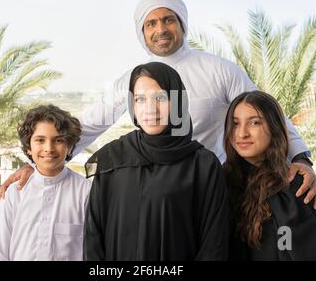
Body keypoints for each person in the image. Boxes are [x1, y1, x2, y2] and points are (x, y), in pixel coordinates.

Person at [0, 0, 316, 210]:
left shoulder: (219, 69)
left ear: (182, 24)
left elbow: (268, 115)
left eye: (168, 19)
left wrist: (301, 158)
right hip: (158, 197)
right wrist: (37, 164)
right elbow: (89, 125)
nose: (160, 29)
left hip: (215, 193)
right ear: (142, 32)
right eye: (150, 23)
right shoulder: (133, 79)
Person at [83, 62, 229, 260]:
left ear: (177, 101)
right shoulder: (112, 157)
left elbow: (214, 244)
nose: (150, 109)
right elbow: (93, 239)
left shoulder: (202, 165)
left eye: (160, 97)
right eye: (140, 99)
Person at [223, 91, 316, 260]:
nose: (242, 133)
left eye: (255, 123)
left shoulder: (293, 185)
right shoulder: (221, 180)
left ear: (274, 127)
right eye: (235, 124)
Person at [0, 105, 91, 261]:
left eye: (58, 140)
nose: (48, 148)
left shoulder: (86, 192)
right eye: (40, 140)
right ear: (29, 147)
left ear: (70, 147)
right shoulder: (15, 192)